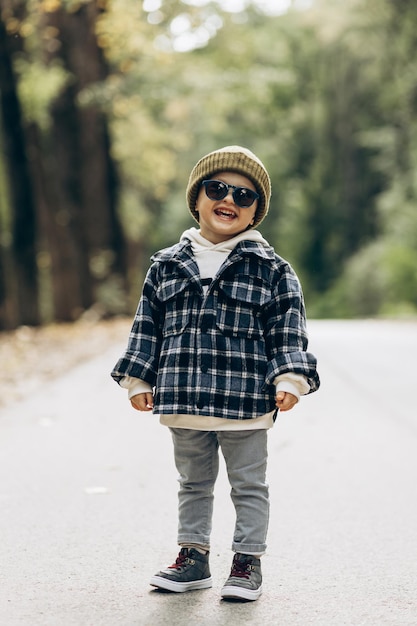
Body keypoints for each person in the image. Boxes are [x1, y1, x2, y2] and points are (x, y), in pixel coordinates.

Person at [111, 145, 320, 602]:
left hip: (245, 401)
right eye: (217, 189)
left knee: (248, 485)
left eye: (244, 196)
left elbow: (287, 329)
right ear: (198, 198)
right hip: (184, 396)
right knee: (192, 483)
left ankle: (247, 562)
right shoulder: (166, 265)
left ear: (255, 212)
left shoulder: (272, 271)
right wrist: (138, 377)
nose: (229, 200)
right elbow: (148, 326)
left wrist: (289, 377)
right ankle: (193, 557)